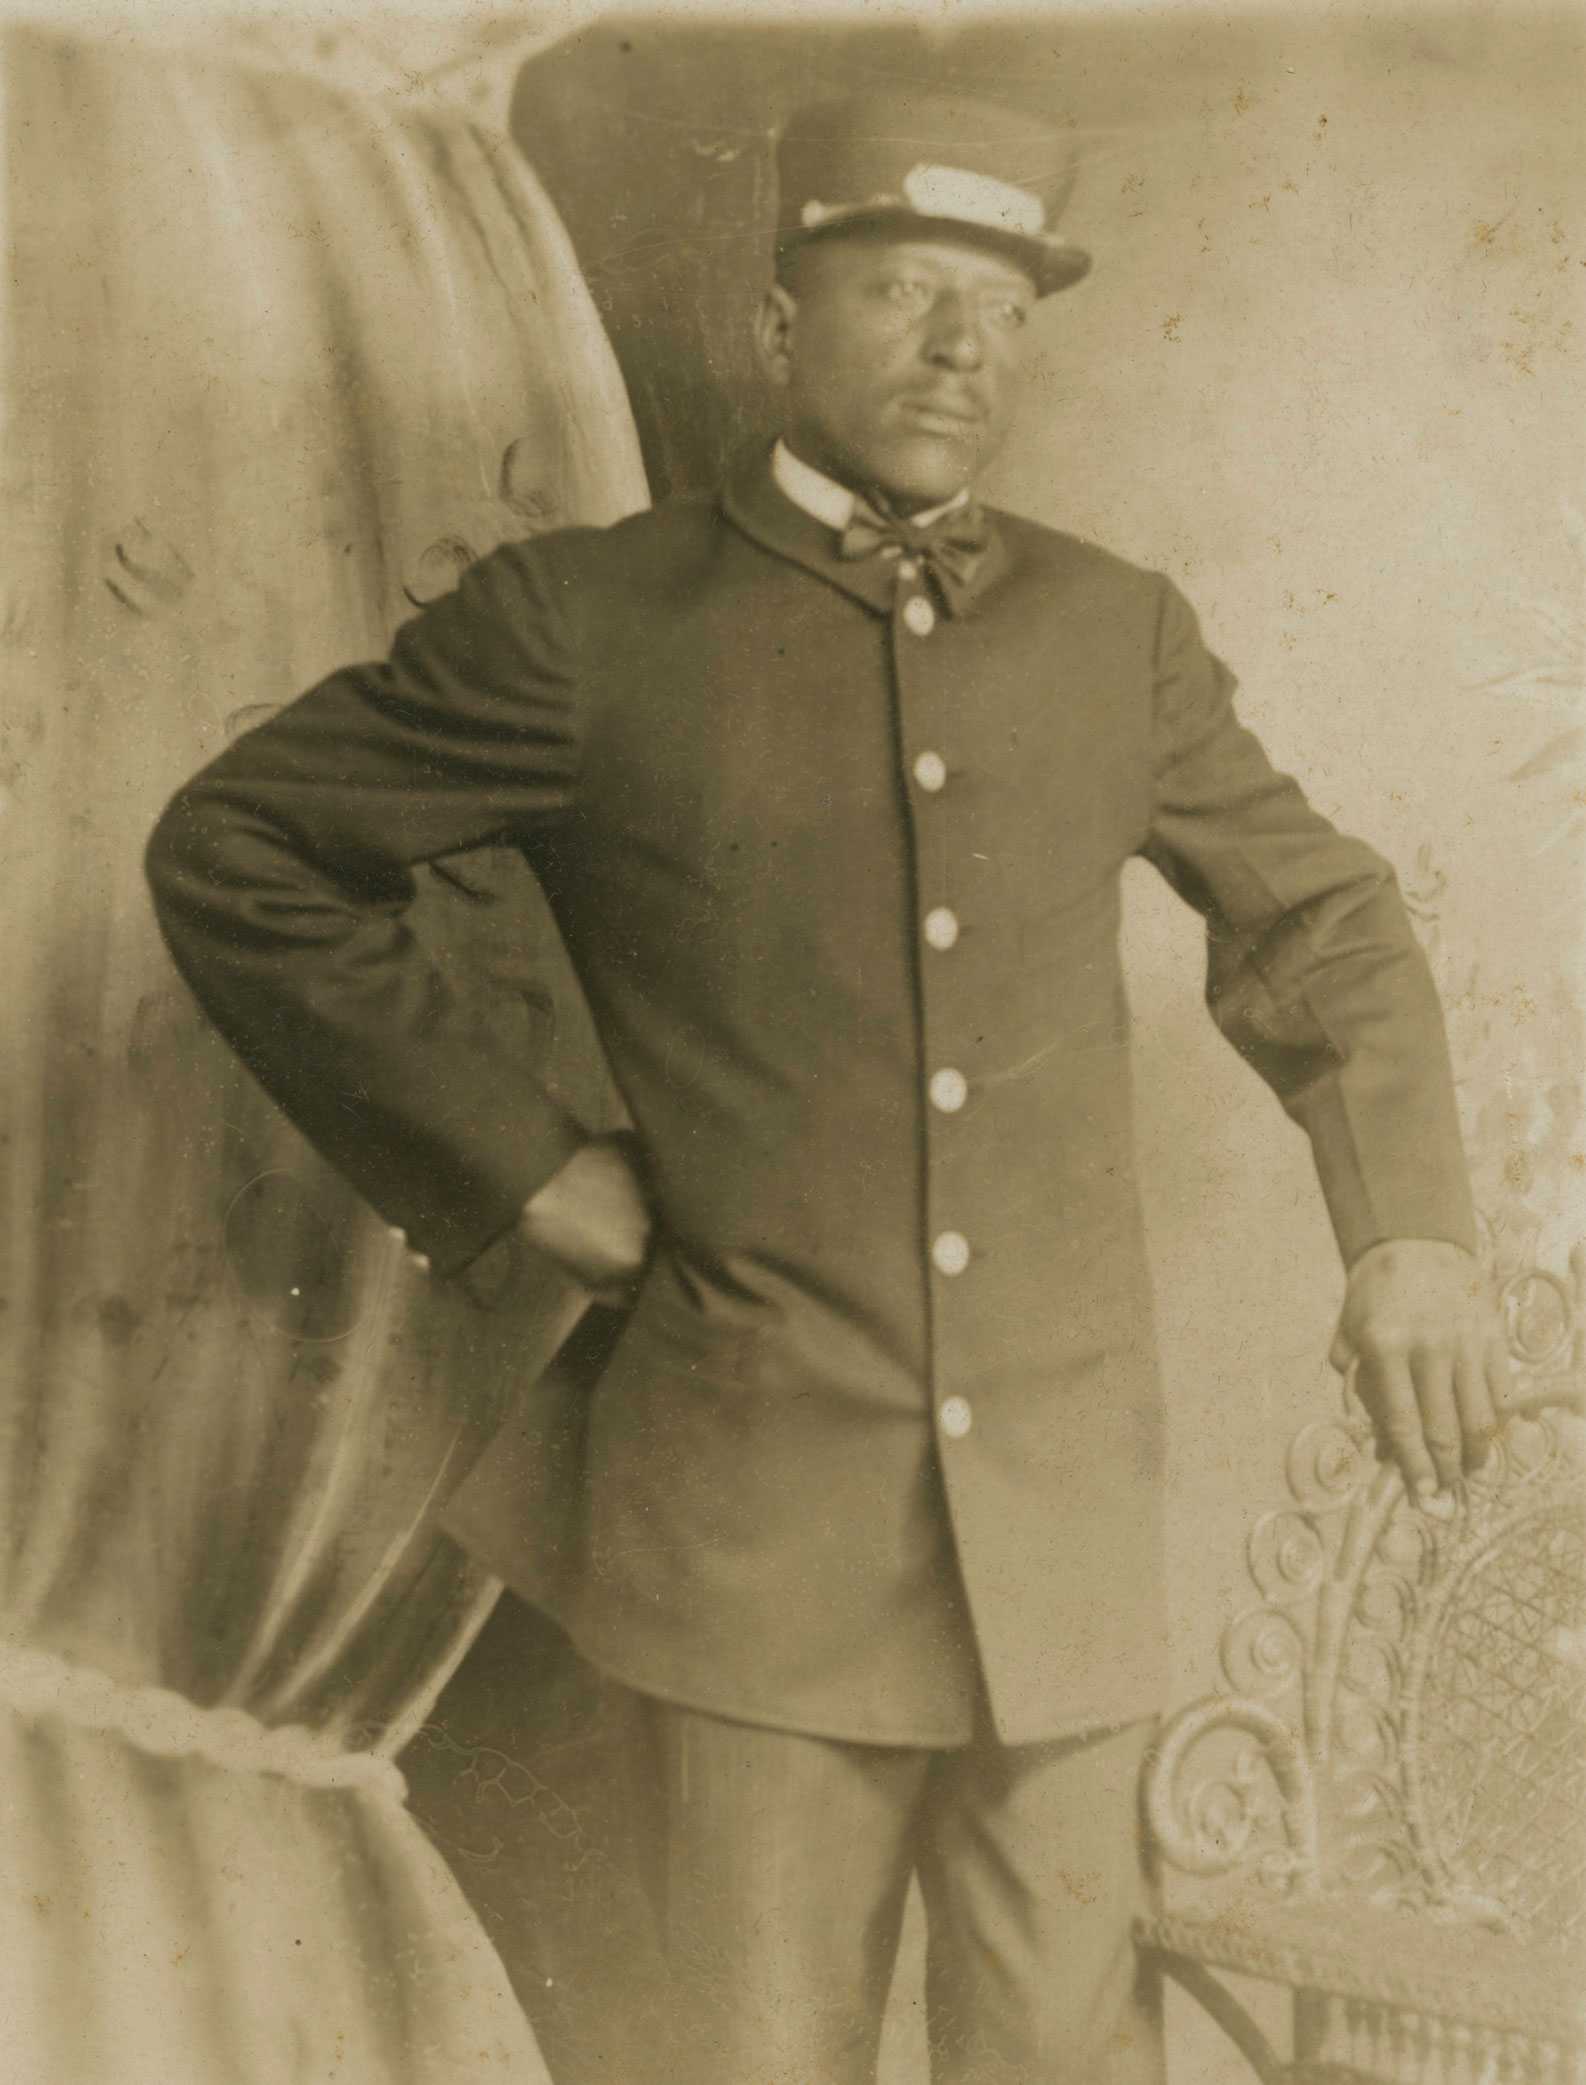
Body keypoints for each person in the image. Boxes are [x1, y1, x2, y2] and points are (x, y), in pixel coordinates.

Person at [146, 90, 1511, 2085]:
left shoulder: (1111, 634)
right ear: (783, 317)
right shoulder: (590, 626)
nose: (965, 352)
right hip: (745, 1534)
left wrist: (1406, 1231)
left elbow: (1326, 918)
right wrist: (521, 1165)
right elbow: (238, 851)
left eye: (1003, 308)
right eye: (903, 292)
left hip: (1057, 1532)